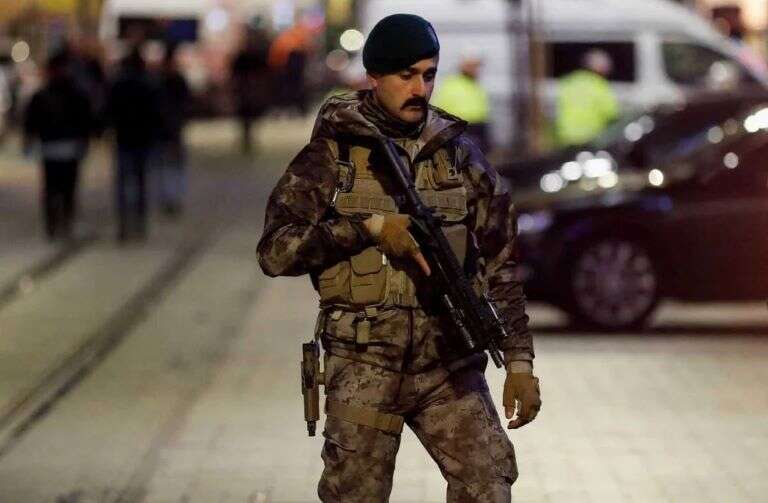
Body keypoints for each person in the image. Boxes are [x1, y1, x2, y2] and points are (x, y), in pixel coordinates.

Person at [257, 14, 540, 502]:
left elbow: (502, 262)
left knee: (488, 485)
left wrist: (519, 362)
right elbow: (275, 251)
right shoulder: (334, 154)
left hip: (448, 362)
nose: (420, 89)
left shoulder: (458, 156)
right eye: (406, 75)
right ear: (374, 76)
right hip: (364, 363)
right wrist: (365, 229)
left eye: (429, 75)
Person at [24, 50, 93, 241]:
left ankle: (56, 223)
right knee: (63, 189)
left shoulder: (45, 95)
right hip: (63, 148)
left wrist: (29, 141)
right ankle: (60, 222)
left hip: (56, 148)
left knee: (54, 188)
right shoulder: (74, 95)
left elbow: (31, 122)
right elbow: (86, 121)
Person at [104, 48, 160, 242]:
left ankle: (124, 224)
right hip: (143, 139)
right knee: (141, 182)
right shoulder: (149, 84)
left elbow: (109, 110)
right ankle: (139, 223)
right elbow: (156, 113)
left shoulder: (118, 84)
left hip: (124, 138)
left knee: (123, 184)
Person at [555, 48, 619, 147]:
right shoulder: (599, 85)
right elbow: (611, 114)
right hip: (589, 137)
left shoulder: (569, 81)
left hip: (566, 136)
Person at [154, 44, 191, 215]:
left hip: (169, 130)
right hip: (168, 130)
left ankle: (171, 198)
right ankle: (170, 198)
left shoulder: (161, 81)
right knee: (169, 167)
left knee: (169, 167)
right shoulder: (167, 81)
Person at [432, 53, 491, 153]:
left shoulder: (475, 85)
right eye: (472, 66)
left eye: (477, 66)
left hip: (479, 127)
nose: (476, 69)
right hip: (460, 128)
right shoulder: (451, 85)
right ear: (463, 66)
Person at [231, 24, 272, 154]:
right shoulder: (248, 56)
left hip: (248, 90)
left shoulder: (250, 55)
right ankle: (247, 137)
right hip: (247, 90)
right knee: (247, 115)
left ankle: (247, 137)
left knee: (248, 115)